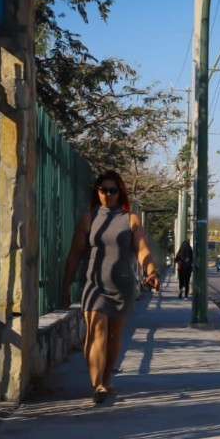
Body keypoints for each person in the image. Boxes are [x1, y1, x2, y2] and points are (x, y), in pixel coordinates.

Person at [62, 170, 161, 403]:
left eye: (112, 190)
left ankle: (106, 379)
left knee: (114, 335)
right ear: (97, 192)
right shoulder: (89, 218)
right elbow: (75, 254)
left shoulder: (131, 219)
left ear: (120, 193)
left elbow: (142, 249)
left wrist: (151, 271)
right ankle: (97, 385)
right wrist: (65, 286)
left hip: (122, 286)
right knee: (96, 331)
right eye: (103, 190)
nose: (108, 194)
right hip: (93, 285)